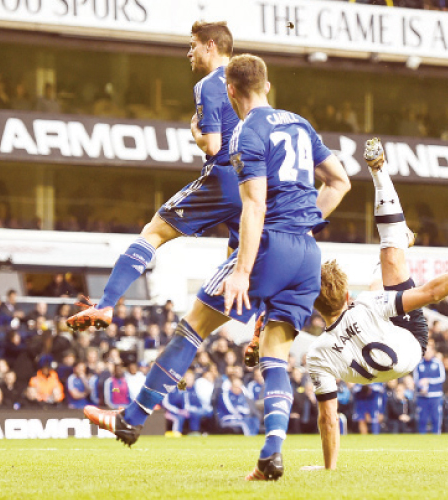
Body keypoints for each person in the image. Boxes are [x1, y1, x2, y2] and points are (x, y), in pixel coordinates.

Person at [83, 53, 350, 482]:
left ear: (230, 90)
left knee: (192, 328)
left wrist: (242, 270)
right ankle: (270, 455)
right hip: (307, 253)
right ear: (267, 83)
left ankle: (132, 419)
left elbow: (254, 204)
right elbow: (340, 182)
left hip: (268, 246)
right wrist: (306, 222)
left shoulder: (246, 131)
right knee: (275, 359)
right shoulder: (299, 122)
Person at [305, 138, 448, 469]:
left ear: (313, 308)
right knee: (389, 254)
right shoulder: (365, 304)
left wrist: (329, 468)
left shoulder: (316, 354)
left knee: (384, 274)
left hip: (387, 354)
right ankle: (381, 179)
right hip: (410, 341)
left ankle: (400, 241)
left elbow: (328, 418)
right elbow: (433, 292)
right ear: (345, 296)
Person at [66, 21, 243, 331]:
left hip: (224, 177)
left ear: (210, 45)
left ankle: (106, 306)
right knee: (239, 258)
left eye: (193, 45)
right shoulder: (248, 82)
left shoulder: (208, 84)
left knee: (153, 232)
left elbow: (213, 145)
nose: (189, 53)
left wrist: (195, 133)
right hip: (254, 183)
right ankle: (258, 328)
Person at [414, 343, 446, 434]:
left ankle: (436, 436)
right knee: (422, 419)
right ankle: (422, 437)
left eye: (429, 351)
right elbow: (416, 379)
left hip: (435, 395)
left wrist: (429, 381)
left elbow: (442, 378)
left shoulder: (438, 363)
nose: (427, 353)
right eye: (426, 352)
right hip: (422, 396)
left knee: (435, 418)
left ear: (433, 352)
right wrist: (421, 386)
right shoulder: (419, 364)